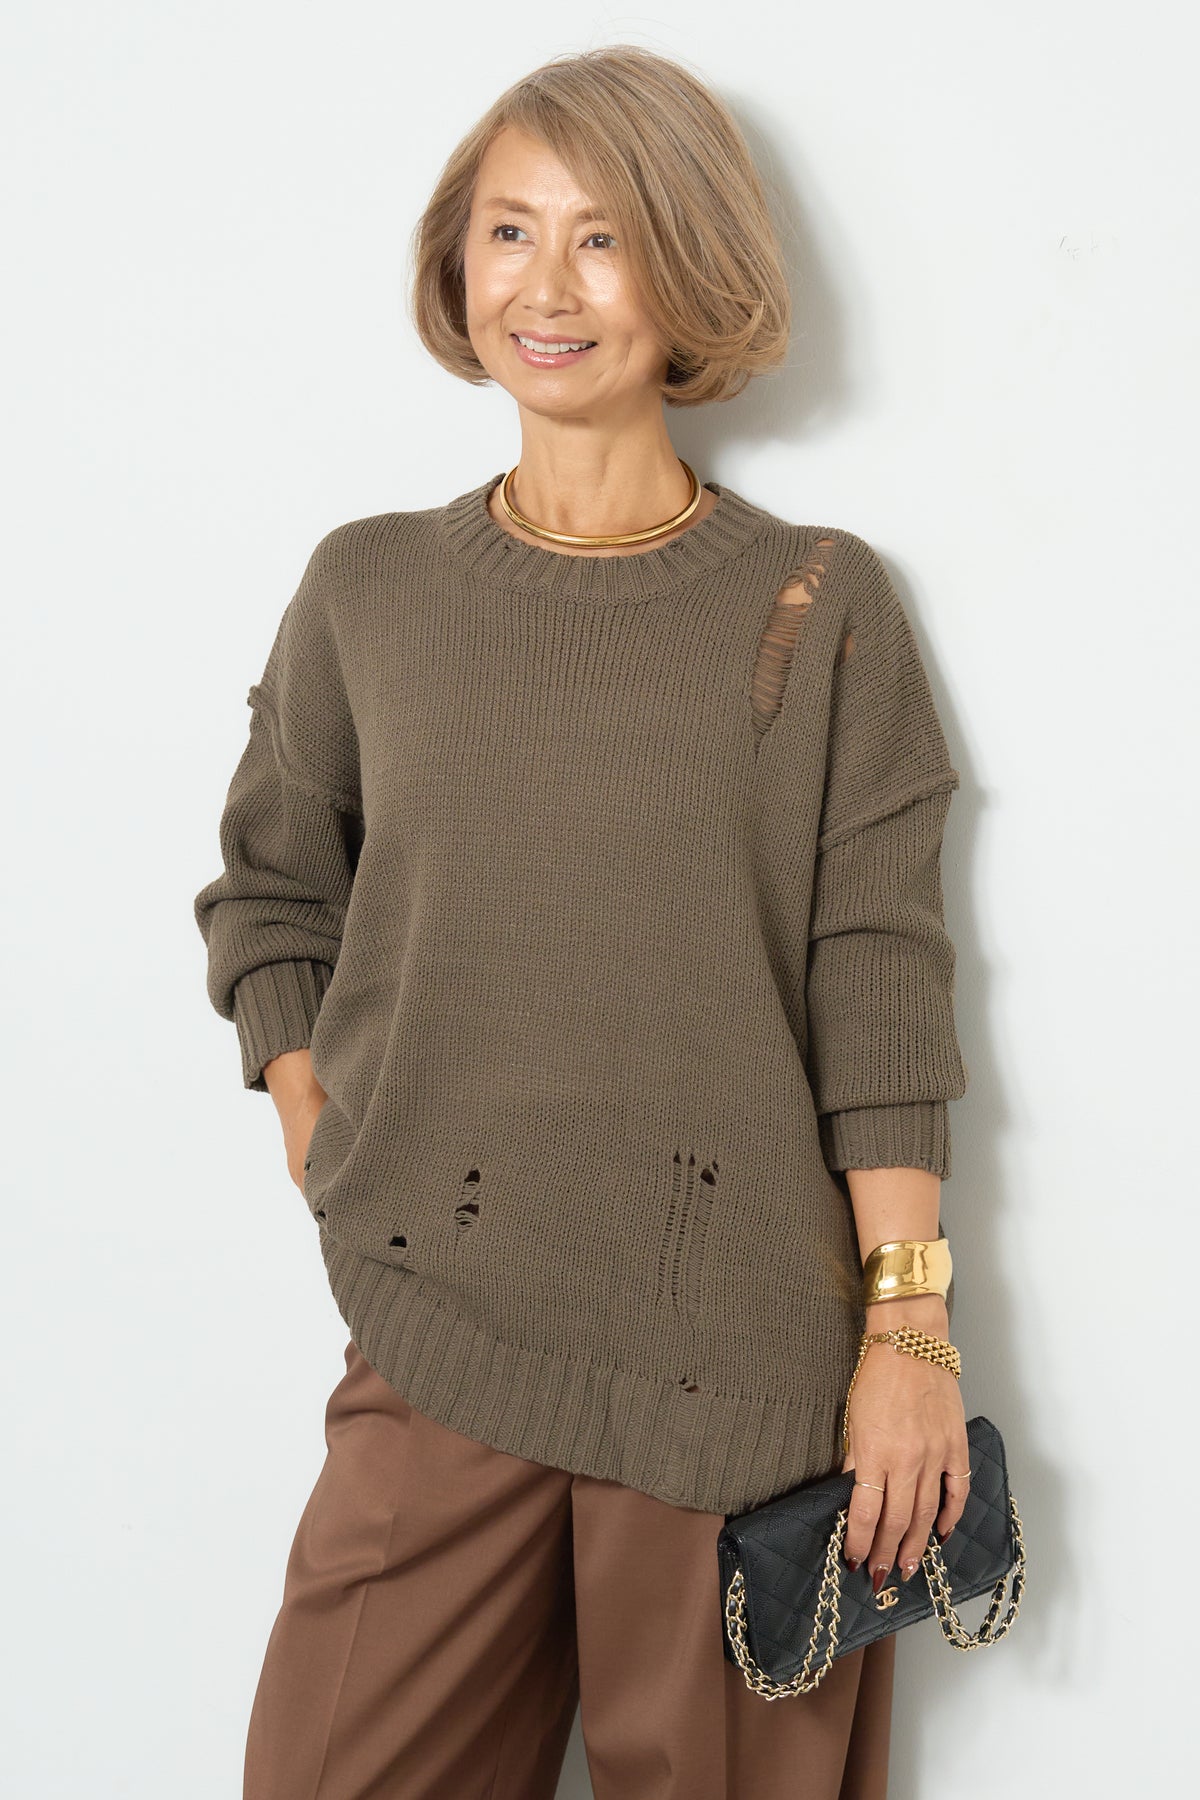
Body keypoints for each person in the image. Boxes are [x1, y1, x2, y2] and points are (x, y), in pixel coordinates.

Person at [192, 43, 972, 1800]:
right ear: (456, 262)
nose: (545, 287)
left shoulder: (817, 606)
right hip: (438, 1326)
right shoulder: (369, 586)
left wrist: (907, 1336)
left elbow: (880, 983)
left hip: (744, 1387)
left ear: (691, 267)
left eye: (604, 238)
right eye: (510, 231)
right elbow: (272, 885)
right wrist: (323, 1132)